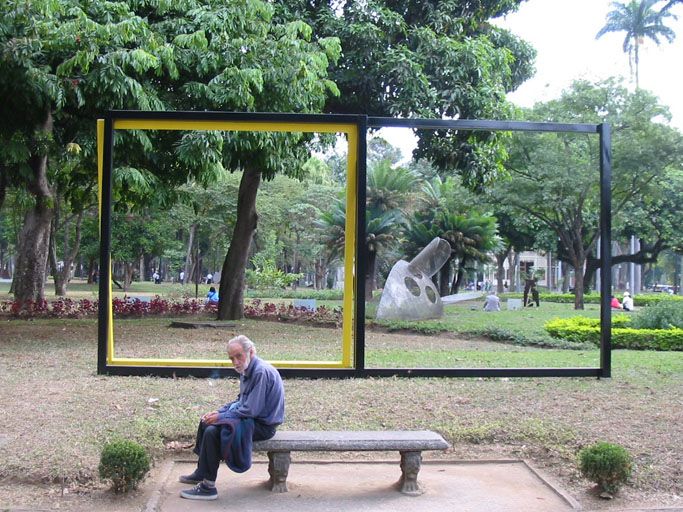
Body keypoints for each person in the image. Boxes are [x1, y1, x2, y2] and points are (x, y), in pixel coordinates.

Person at [179, 335, 285, 501]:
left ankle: (208, 487)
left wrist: (221, 417)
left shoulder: (260, 372)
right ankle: (202, 472)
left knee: (213, 432)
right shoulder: (247, 369)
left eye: (238, 356)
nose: (235, 362)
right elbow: (241, 401)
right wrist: (219, 412)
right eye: (231, 358)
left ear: (251, 351)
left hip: (262, 425)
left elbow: (251, 410)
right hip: (250, 419)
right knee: (207, 423)